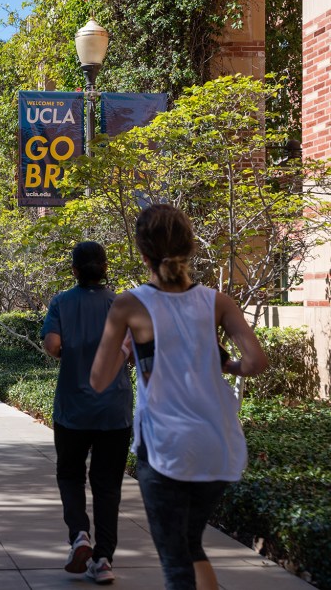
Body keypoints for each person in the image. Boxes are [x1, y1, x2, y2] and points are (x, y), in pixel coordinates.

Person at [90, 204, 268, 590]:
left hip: (165, 447)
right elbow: (255, 361)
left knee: (175, 563)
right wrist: (228, 366)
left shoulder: (129, 304)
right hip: (217, 445)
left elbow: (99, 380)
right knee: (189, 544)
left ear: (142, 253)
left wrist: (125, 349)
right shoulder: (217, 302)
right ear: (190, 247)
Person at [41, 241, 133, 585]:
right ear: (105, 268)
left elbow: (52, 345)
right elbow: (138, 354)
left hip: (72, 409)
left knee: (70, 475)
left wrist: (69, 351)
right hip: (115, 411)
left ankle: (80, 535)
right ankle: (104, 559)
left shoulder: (62, 302)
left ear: (75, 270)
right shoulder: (124, 305)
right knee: (108, 485)